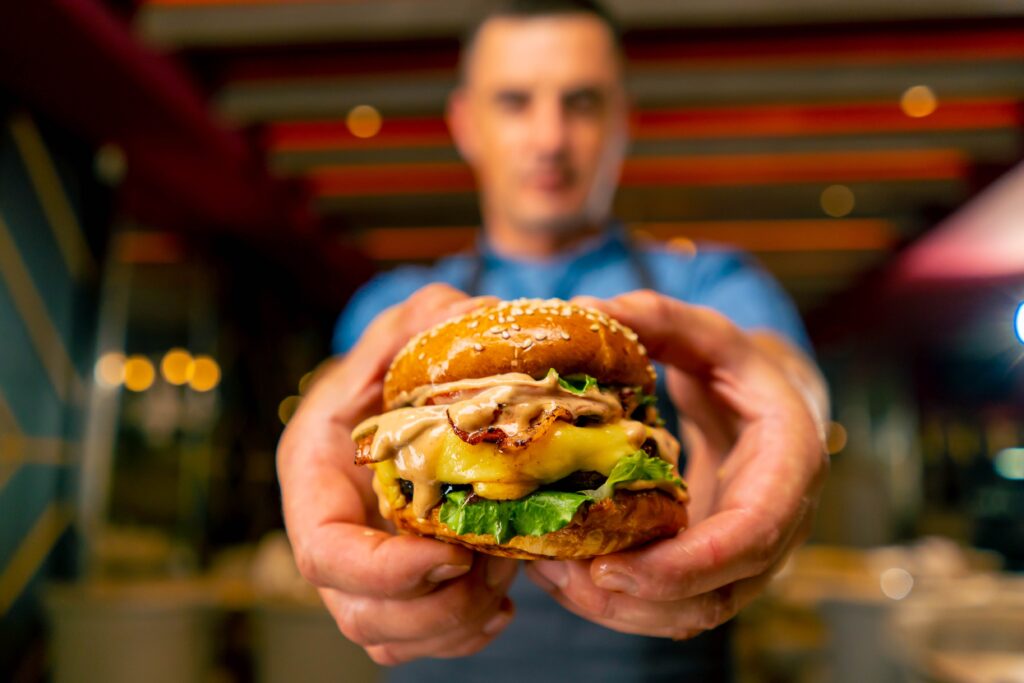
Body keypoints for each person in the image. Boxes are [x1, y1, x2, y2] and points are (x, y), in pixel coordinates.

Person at [277, 1, 829, 680]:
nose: (549, 137)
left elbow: (779, 365)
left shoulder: (710, 280)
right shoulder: (398, 303)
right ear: (464, 123)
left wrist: (797, 406)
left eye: (582, 102)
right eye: (514, 101)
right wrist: (316, 412)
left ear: (623, 119)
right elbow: (343, 383)